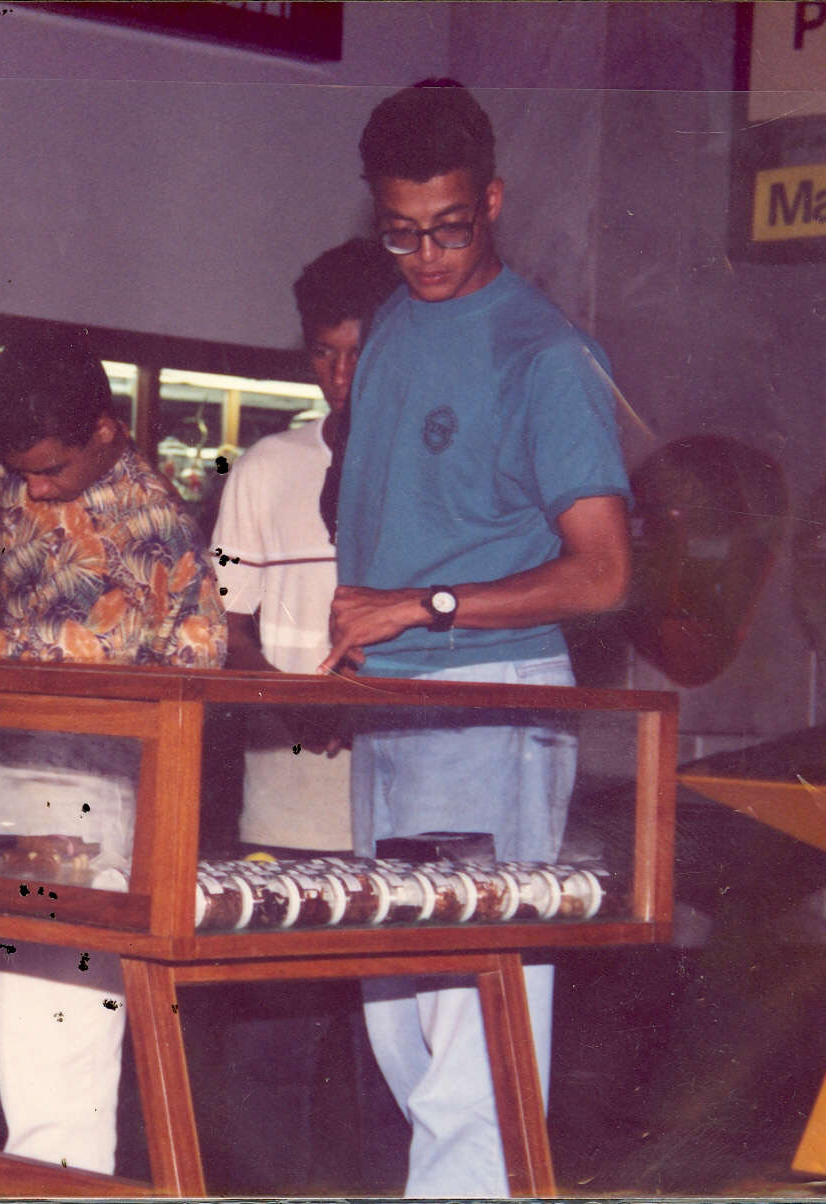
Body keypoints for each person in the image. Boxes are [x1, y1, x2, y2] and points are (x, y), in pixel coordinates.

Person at [323, 80, 632, 1198]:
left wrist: (424, 605)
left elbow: (603, 571)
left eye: (450, 228)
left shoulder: (542, 352)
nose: (426, 256)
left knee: (472, 1030)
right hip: (390, 707)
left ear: (492, 200)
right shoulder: (391, 328)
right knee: (399, 1019)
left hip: (492, 700)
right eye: (400, 231)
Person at [0, 333, 226, 1190]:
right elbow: (4, 597)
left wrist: (7, 654)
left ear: (105, 432)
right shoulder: (17, 480)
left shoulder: (156, 524)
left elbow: (200, 661)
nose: (31, 487)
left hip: (82, 795)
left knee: (54, 1054)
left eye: (50, 470)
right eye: (18, 469)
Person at [209, 237, 406, 1194]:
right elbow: (223, 626)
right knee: (268, 1051)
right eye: (322, 354)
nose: (337, 376)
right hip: (282, 807)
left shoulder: (426, 467)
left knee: (390, 1063)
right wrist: (285, 700)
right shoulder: (267, 467)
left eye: (356, 354)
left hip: (396, 805)